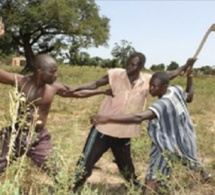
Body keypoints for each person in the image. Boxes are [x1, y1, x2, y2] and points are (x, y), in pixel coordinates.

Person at [0, 21, 111, 181]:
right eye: (52, 72)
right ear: (39, 71)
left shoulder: (54, 87)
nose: (56, 75)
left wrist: (102, 91)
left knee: (58, 174)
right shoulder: (20, 81)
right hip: (16, 135)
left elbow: (77, 93)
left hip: (39, 138)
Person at [71, 51, 196, 192]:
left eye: (133, 65)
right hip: (103, 129)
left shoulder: (148, 81)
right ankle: (72, 187)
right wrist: (74, 88)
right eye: (127, 64)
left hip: (125, 132)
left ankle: (133, 186)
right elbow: (95, 84)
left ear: (141, 66)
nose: (128, 67)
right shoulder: (116, 74)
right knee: (86, 162)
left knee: (126, 165)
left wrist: (186, 65)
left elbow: (168, 75)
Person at [91, 63, 211, 194]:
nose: (151, 89)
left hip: (173, 141)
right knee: (168, 167)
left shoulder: (163, 103)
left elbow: (138, 117)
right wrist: (190, 77)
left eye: (155, 86)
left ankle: (201, 175)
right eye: (150, 85)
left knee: (178, 164)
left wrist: (107, 118)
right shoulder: (175, 90)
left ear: (164, 86)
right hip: (175, 140)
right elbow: (189, 96)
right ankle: (202, 176)